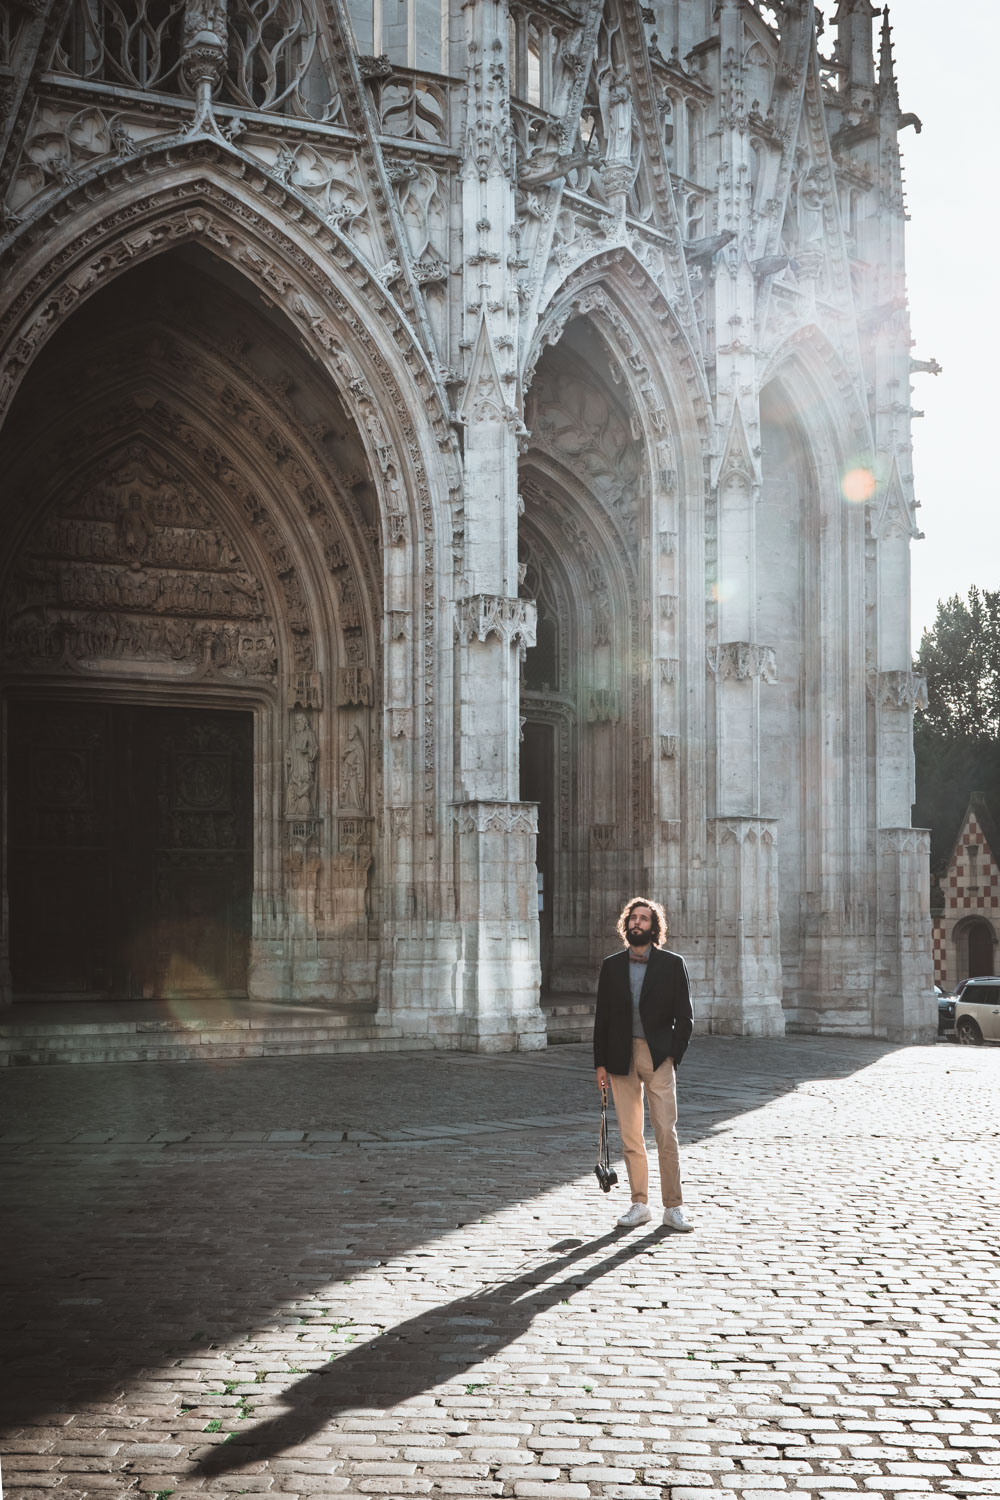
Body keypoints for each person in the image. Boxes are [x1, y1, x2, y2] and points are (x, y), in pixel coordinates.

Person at [593, 896, 694, 1232]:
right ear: (626, 924)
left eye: (644, 918)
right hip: (620, 1057)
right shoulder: (611, 966)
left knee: (666, 1132)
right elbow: (602, 1019)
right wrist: (600, 1064)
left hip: (658, 1056)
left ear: (654, 927)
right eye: (633, 918)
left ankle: (673, 1207)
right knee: (631, 1135)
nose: (637, 922)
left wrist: (672, 1055)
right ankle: (639, 1204)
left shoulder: (672, 964)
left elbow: (685, 1017)